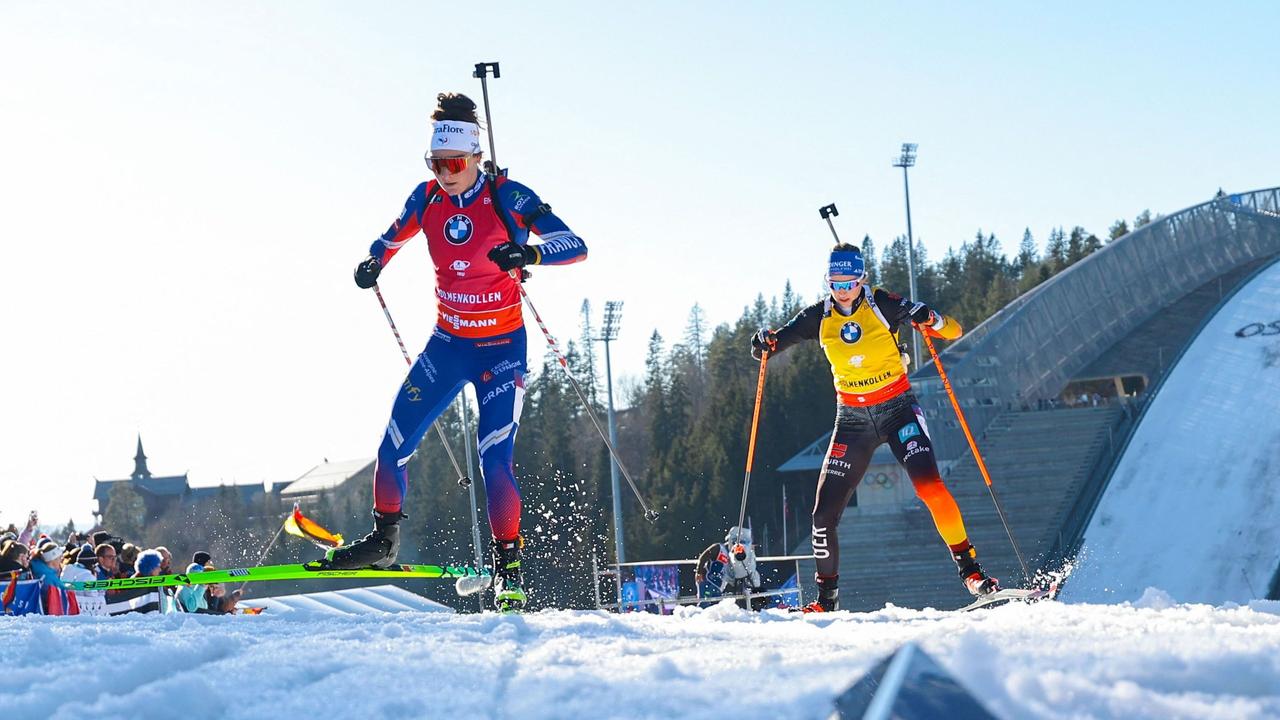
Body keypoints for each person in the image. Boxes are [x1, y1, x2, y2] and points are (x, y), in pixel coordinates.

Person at [325, 92, 588, 614]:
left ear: (474, 158)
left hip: (501, 350)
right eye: (436, 163)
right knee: (393, 443)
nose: (445, 173)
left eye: (454, 163)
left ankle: (509, 569)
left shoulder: (509, 197)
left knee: (495, 460)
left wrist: (528, 250)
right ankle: (383, 540)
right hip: (448, 344)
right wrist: (371, 263)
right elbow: (389, 239)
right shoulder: (426, 199)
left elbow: (575, 244)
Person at [752, 243, 998, 613]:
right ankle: (826, 600)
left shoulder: (884, 303)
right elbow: (770, 346)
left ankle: (971, 571)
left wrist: (929, 317)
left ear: (862, 278)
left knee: (930, 488)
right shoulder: (817, 316)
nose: (843, 290)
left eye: (850, 282)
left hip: (897, 411)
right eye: (835, 283)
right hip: (852, 421)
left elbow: (953, 330)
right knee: (822, 515)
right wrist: (763, 341)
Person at [695, 527, 766, 610]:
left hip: (719, 586)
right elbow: (703, 557)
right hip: (707, 581)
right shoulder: (718, 548)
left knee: (714, 608)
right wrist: (699, 572)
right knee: (704, 604)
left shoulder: (733, 557)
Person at [62, 545, 105, 616]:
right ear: (91, 565)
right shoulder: (89, 577)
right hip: (84, 611)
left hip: (66, 608)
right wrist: (101, 592)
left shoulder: (67, 570)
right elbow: (94, 599)